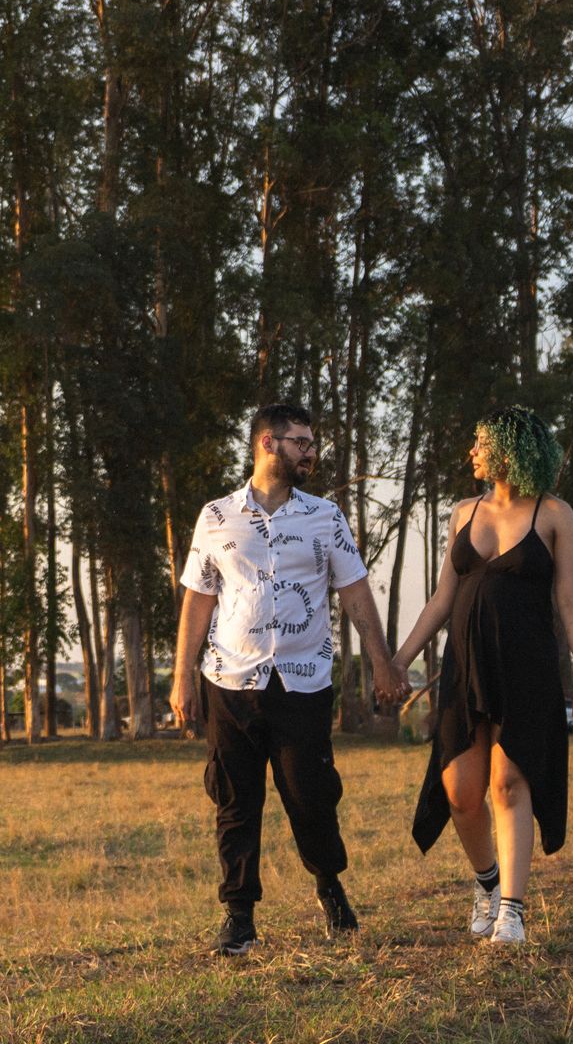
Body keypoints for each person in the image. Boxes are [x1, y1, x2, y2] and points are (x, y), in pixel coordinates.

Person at [170, 403, 406, 957]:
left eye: (312, 442)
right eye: (301, 441)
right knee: (234, 799)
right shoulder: (215, 517)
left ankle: (329, 885)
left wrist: (381, 662)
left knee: (313, 796)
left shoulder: (325, 517)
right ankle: (239, 916)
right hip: (230, 682)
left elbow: (354, 593)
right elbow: (197, 600)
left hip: (303, 684)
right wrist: (183, 678)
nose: (311, 451)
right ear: (267, 445)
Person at [390, 405, 573, 946]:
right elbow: (442, 597)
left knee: (508, 783)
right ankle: (487, 882)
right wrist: (401, 658)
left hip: (526, 667)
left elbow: (570, 601)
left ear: (508, 449)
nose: (472, 454)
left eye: (480, 444)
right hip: (465, 667)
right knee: (460, 790)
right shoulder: (463, 512)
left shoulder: (554, 514)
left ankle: (512, 911)